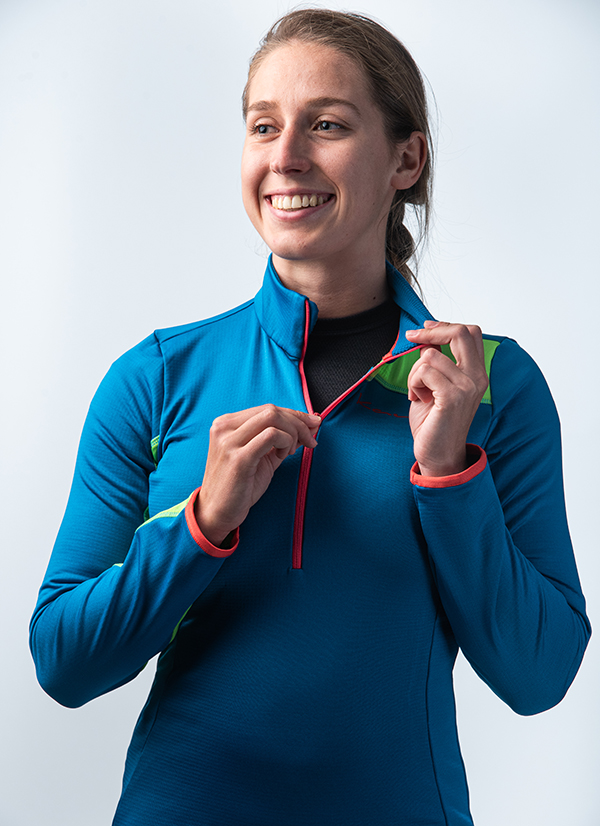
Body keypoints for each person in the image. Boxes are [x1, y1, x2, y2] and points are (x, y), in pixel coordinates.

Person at [29, 9, 590, 825]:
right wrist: (201, 524)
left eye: (326, 124)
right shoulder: (154, 378)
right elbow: (64, 663)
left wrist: (450, 477)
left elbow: (538, 676)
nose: (285, 156)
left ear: (406, 159)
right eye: (264, 126)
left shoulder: (492, 384)